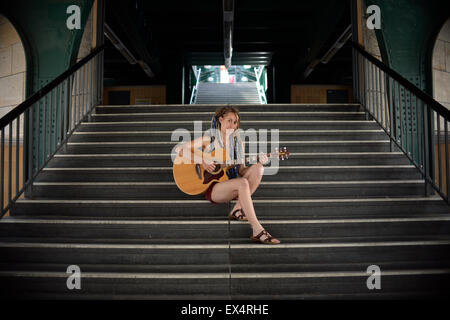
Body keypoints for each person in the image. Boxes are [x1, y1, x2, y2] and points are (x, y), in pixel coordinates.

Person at [176, 106, 280, 244]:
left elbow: (242, 172)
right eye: (229, 120)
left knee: (258, 168)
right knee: (242, 183)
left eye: (235, 122)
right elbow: (179, 149)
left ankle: (237, 208)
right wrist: (203, 161)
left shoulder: (238, 142)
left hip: (229, 183)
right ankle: (257, 229)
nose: (233, 125)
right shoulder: (210, 138)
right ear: (220, 120)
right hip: (212, 187)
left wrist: (259, 161)